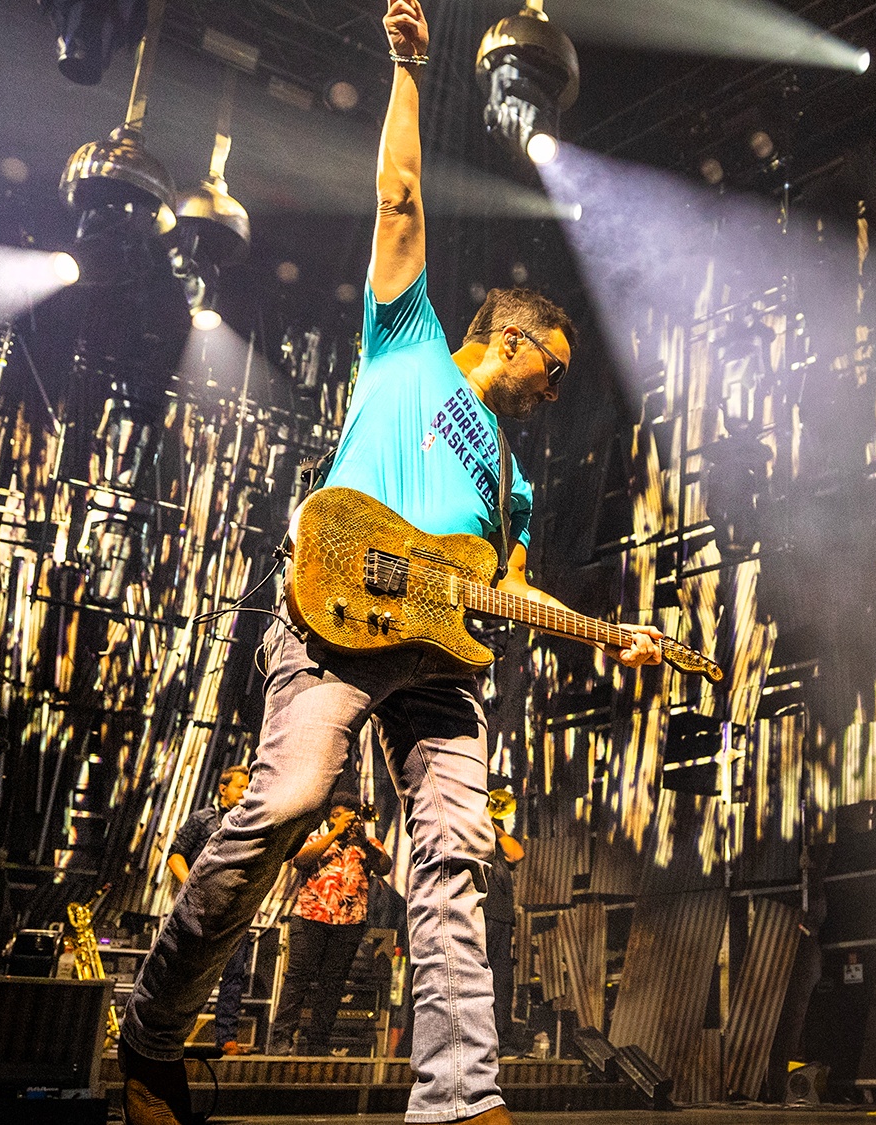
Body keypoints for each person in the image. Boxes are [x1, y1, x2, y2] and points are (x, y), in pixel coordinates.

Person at [117, 3, 665, 1120]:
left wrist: (612, 634)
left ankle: (459, 1103)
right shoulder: (408, 342)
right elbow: (401, 198)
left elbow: (499, 591)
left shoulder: (509, 482)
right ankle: (153, 1031)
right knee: (287, 805)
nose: (556, 394)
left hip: (441, 669)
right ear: (508, 340)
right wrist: (407, 71)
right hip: (329, 622)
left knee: (456, 857)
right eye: (553, 371)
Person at [270, 791, 393, 1056]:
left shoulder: (368, 843)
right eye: (336, 816)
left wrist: (363, 842)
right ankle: (281, 1040)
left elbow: (384, 867)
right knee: (297, 980)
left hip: (349, 923)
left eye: (348, 817)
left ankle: (318, 1043)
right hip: (310, 918)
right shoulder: (315, 838)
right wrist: (334, 834)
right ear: (328, 818)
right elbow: (300, 861)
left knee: (333, 984)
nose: (343, 821)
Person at [166, 764, 256, 1054]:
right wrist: (190, 884)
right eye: (240, 786)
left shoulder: (250, 822)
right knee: (188, 972)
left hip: (234, 909)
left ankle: (227, 1038)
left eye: (248, 787)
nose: (245, 792)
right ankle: (170, 1035)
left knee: (233, 976)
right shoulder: (202, 818)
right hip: (199, 909)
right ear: (223, 788)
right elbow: (175, 854)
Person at [486, 798, 523, 1054]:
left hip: (500, 916)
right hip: (478, 913)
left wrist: (495, 827)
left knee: (501, 980)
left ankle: (502, 1037)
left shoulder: (499, 841)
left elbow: (516, 853)